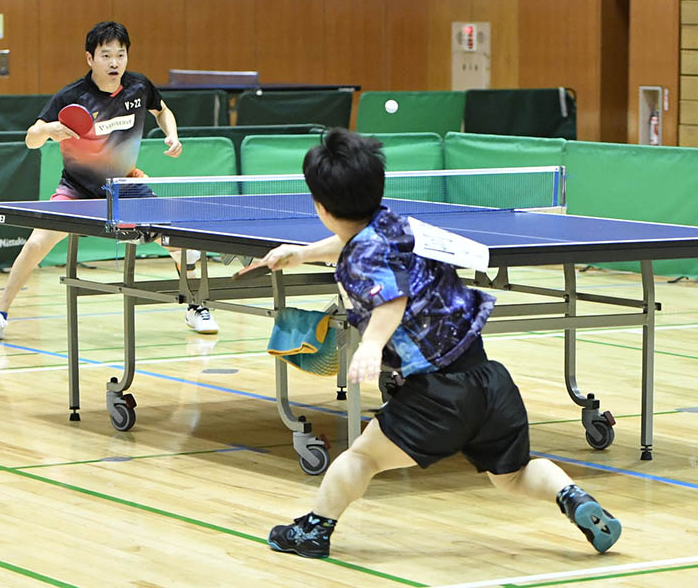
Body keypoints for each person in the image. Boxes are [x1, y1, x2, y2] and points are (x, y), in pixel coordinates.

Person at [260, 128, 621, 559]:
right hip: (488, 380)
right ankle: (572, 497)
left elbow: (390, 298)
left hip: (438, 395)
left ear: (320, 206)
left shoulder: (360, 262)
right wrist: (302, 254)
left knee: (363, 458)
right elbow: (359, 243)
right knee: (513, 474)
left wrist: (371, 345)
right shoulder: (394, 223)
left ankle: (314, 532)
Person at [0, 21, 218, 343]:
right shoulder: (72, 96)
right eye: (106, 55)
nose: (114, 62)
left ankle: (195, 306)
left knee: (181, 242)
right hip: (77, 190)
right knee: (35, 244)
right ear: (90, 58)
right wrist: (48, 130)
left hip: (126, 187)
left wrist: (171, 134)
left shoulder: (139, 87)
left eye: (120, 54)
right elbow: (31, 140)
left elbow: (162, 111)